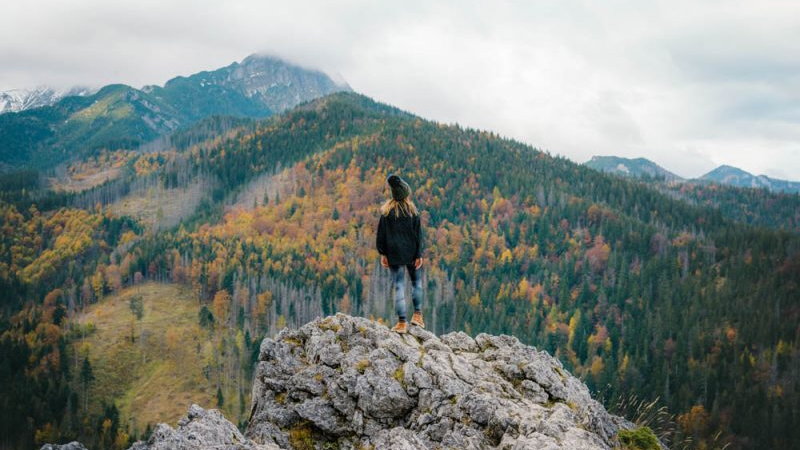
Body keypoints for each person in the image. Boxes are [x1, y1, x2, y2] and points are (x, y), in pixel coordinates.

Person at [376, 174, 424, 334]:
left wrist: (383, 253)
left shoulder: (386, 213)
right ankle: (417, 315)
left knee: (399, 286)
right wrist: (419, 254)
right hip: (411, 253)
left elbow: (381, 235)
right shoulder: (413, 213)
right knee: (416, 283)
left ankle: (402, 323)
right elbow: (418, 235)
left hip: (394, 254)